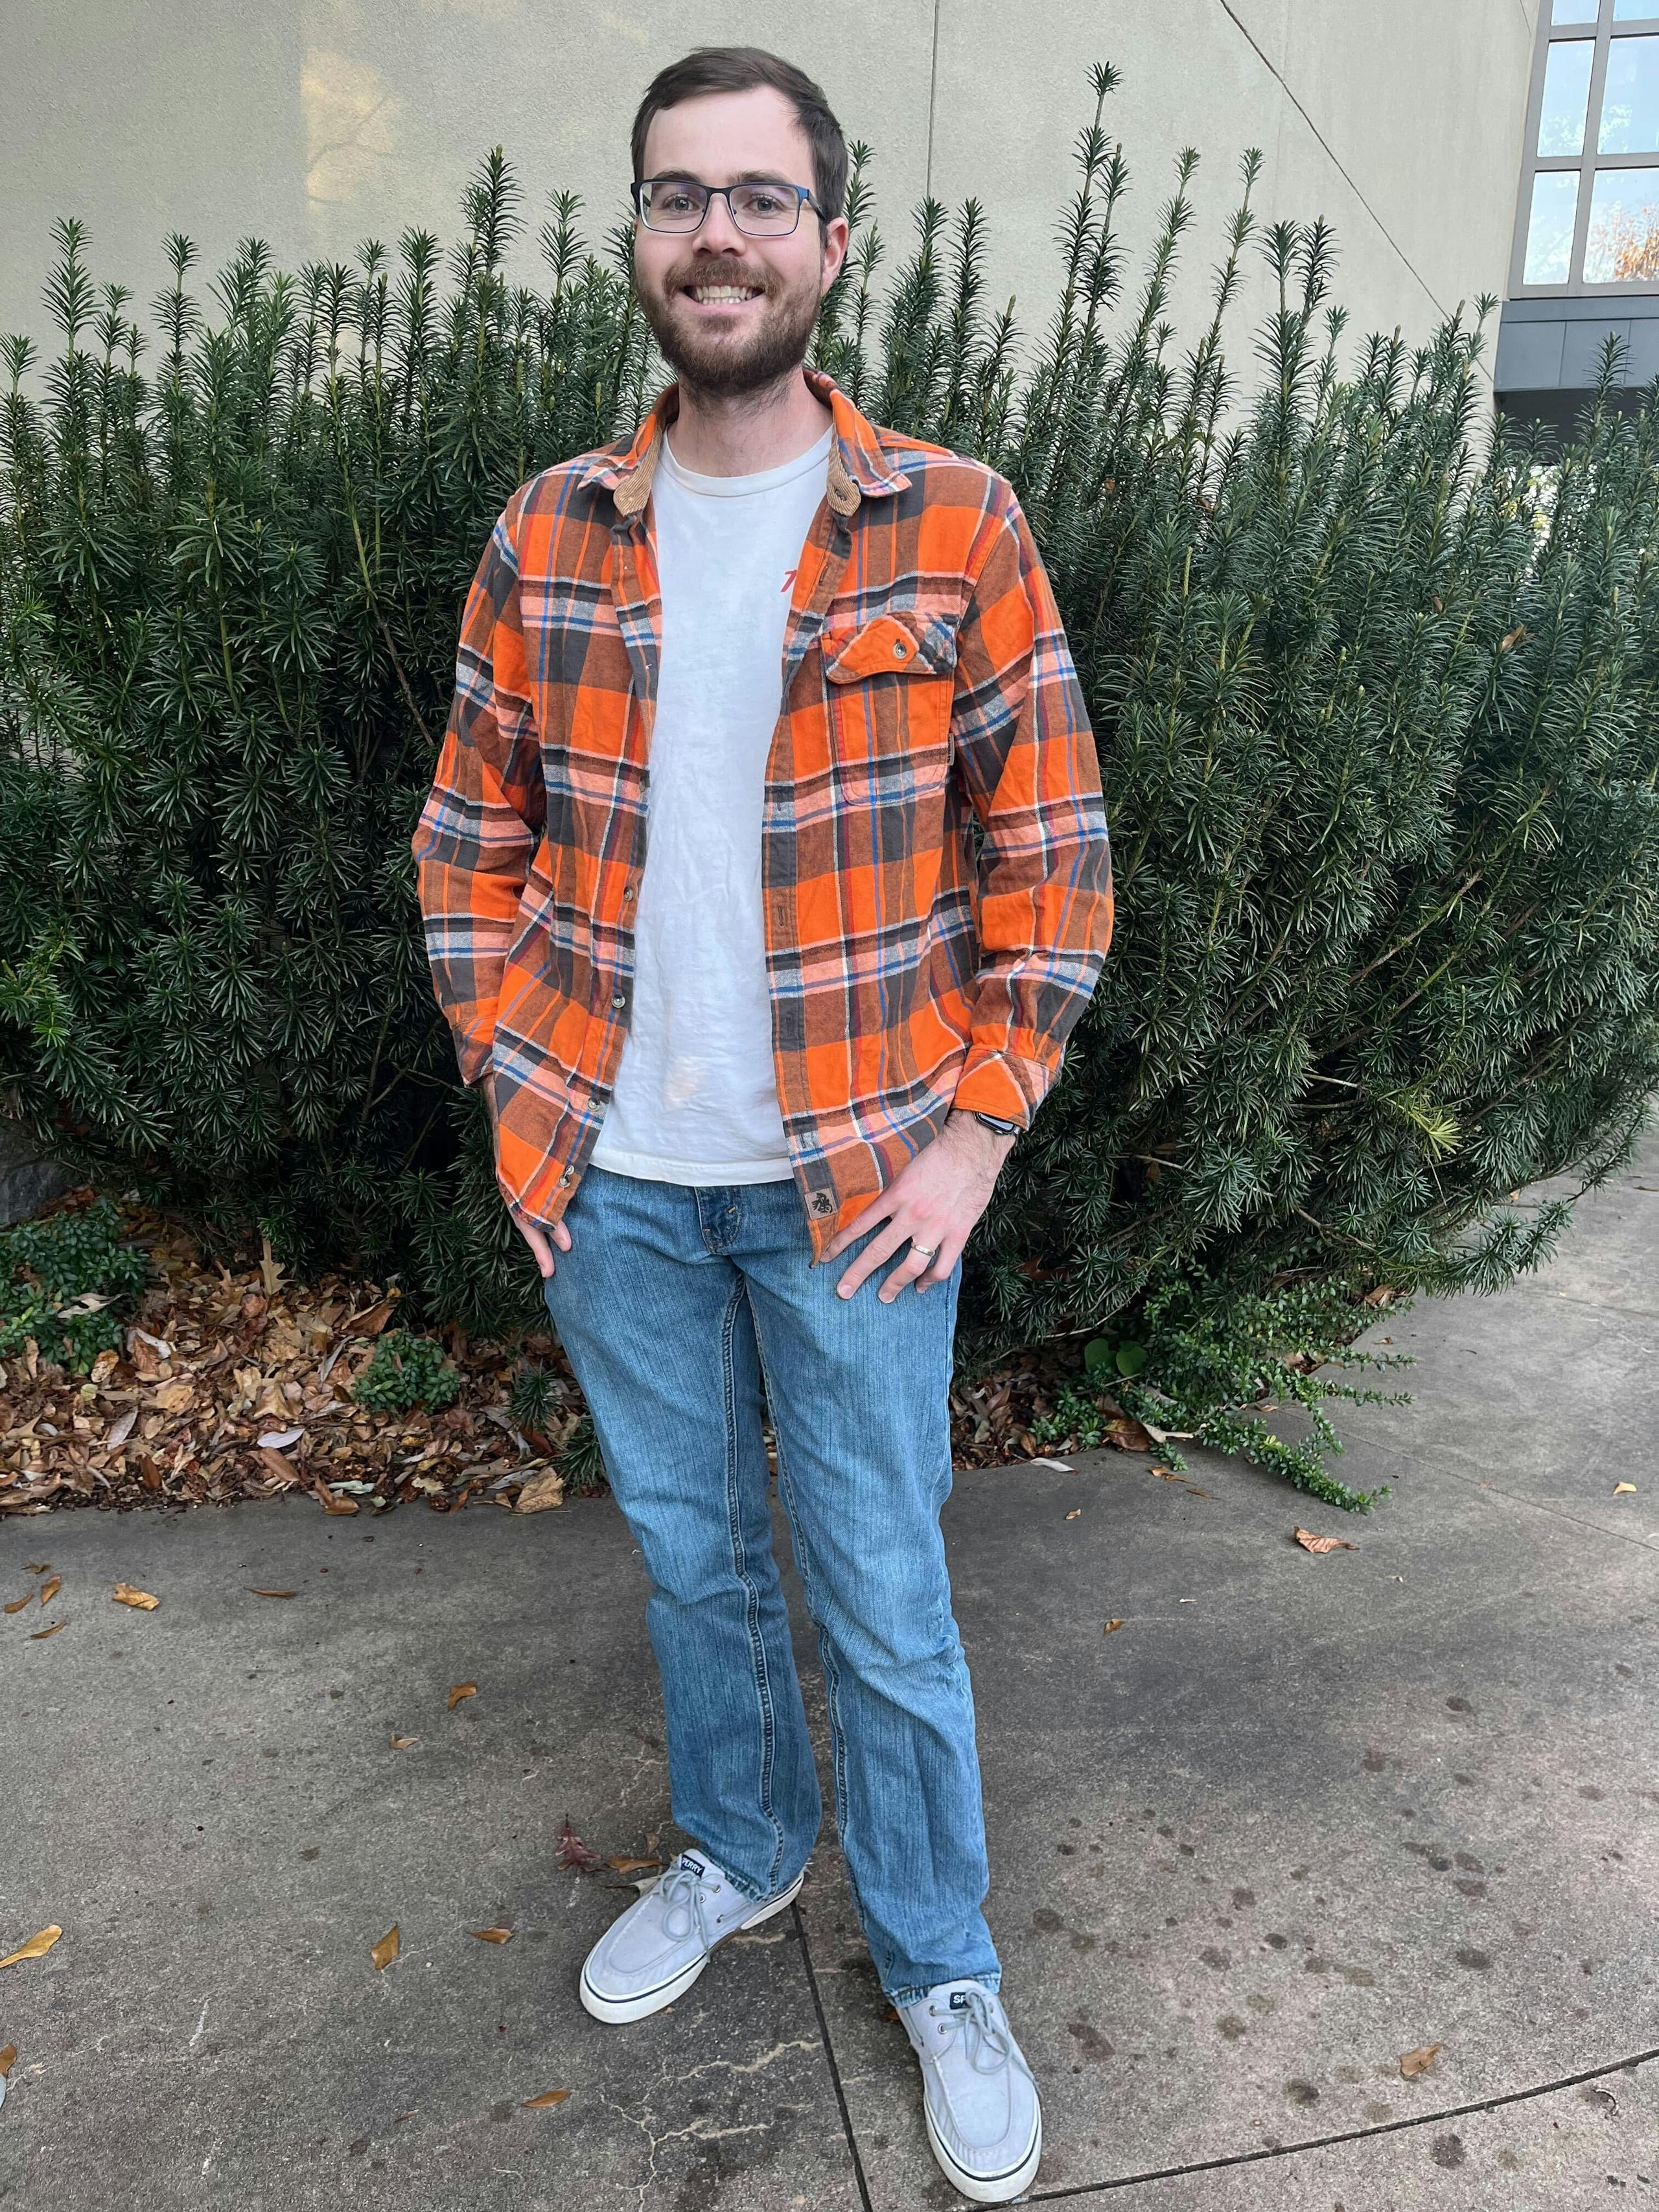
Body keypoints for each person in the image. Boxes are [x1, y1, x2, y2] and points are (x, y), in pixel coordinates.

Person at [413, 44, 1111, 2205]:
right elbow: (468, 845)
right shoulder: (550, 530)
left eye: (757, 198)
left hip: (857, 1182)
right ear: (636, 239)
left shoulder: (953, 520)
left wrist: (980, 1130)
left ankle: (937, 1957)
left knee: (885, 1590)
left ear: (831, 240)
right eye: (674, 196)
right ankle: (737, 1848)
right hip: (620, 1183)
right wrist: (531, 1104)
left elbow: (1055, 855)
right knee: (699, 1561)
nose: (715, 233)